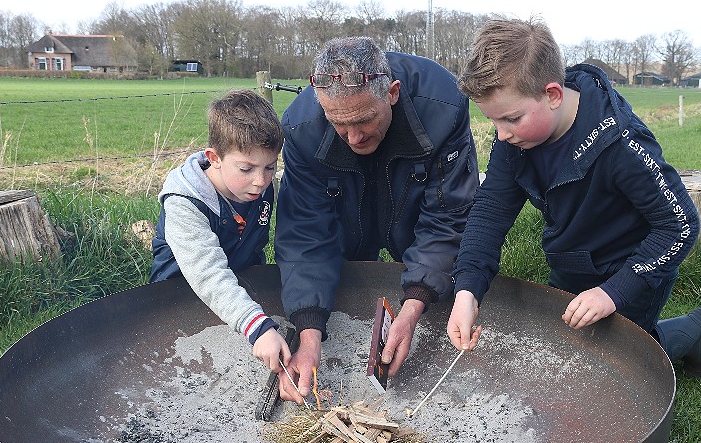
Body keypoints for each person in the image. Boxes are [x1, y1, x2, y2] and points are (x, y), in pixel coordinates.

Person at [446, 16, 701, 379]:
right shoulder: (515, 141)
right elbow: (490, 211)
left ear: (552, 95)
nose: (501, 135)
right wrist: (467, 290)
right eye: (493, 122)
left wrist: (613, 293)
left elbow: (681, 225)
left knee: (613, 369)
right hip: (571, 258)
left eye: (511, 119)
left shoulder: (620, 143)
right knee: (564, 361)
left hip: (633, 266)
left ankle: (699, 327)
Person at [275, 36, 479, 402]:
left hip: (411, 207)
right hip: (347, 215)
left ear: (393, 93)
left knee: (438, 289)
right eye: (338, 123)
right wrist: (308, 337)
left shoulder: (443, 107)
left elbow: (449, 215)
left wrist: (413, 307)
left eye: (365, 120)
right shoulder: (302, 128)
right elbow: (305, 233)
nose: (353, 137)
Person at [150, 89, 291, 374]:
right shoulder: (185, 202)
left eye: (270, 167)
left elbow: (256, 245)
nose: (260, 180)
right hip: (184, 301)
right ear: (214, 157)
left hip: (238, 300)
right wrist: (256, 325)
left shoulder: (258, 188)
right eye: (246, 169)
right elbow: (208, 274)